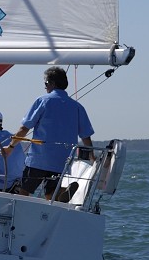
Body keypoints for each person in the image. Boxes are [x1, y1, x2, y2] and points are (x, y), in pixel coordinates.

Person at [5, 66, 94, 201]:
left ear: (52, 84)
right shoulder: (77, 107)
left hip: (39, 159)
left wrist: (10, 147)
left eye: (46, 83)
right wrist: (92, 157)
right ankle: (61, 194)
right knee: (50, 194)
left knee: (23, 191)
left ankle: (22, 213)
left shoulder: (43, 101)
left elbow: (24, 128)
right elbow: (86, 137)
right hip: (62, 160)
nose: (45, 87)